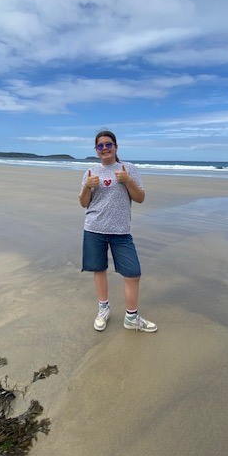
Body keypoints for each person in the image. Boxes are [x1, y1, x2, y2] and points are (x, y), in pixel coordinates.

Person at [79, 130, 157, 333]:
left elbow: (140, 198)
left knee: (133, 273)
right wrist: (87, 187)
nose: (104, 148)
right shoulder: (90, 172)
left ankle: (131, 317)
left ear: (115, 146)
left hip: (121, 231)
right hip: (94, 228)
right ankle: (103, 308)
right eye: (100, 146)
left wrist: (127, 180)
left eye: (108, 144)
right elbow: (83, 203)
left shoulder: (128, 168)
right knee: (99, 269)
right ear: (96, 150)